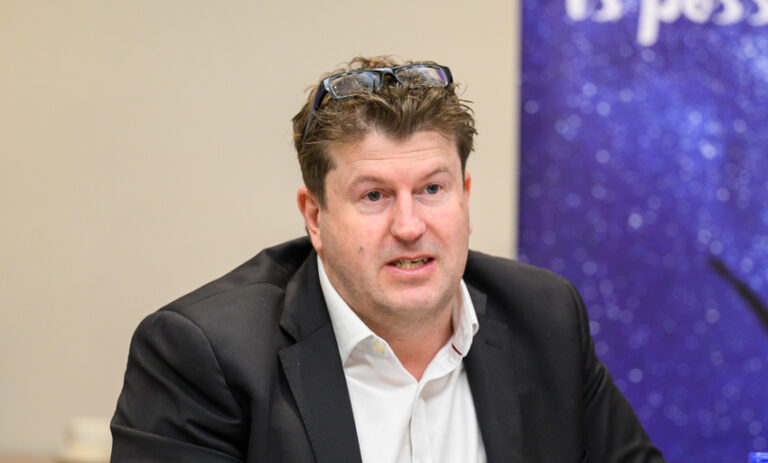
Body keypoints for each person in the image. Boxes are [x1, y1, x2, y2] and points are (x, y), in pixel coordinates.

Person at [110, 56, 665, 463]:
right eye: (374, 195)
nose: (409, 226)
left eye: (432, 189)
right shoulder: (203, 353)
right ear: (315, 216)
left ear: (465, 196)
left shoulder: (544, 317)